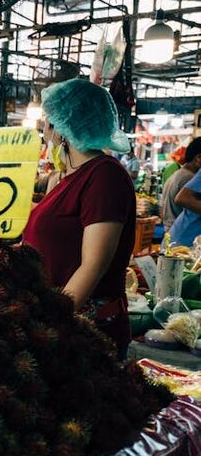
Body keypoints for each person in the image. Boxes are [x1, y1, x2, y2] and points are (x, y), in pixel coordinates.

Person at [21, 78, 135, 360]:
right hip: (55, 322)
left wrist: (51, 324)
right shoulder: (65, 179)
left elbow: (93, 266)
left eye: (47, 124)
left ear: (62, 129)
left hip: (85, 334)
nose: (45, 133)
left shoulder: (105, 176)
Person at [160, 138, 201, 230]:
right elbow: (183, 200)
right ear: (198, 158)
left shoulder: (178, 174)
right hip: (180, 231)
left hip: (170, 229)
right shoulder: (189, 178)